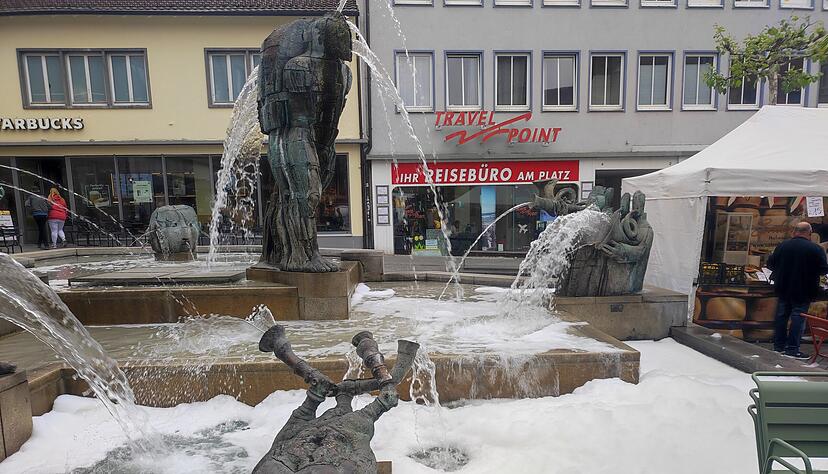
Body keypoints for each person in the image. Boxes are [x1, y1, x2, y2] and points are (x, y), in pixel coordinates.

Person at [767, 222, 828, 359]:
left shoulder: (782, 246)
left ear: (795, 232)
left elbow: (770, 264)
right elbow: (824, 269)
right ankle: (793, 349)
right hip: (804, 289)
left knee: (782, 316)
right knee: (798, 318)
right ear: (809, 233)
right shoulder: (815, 249)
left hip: (783, 287)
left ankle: (779, 346)